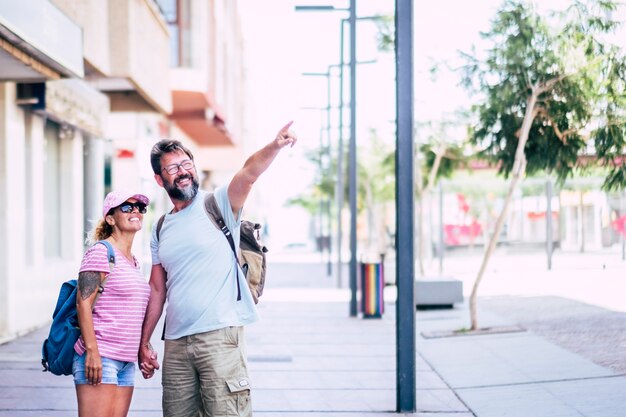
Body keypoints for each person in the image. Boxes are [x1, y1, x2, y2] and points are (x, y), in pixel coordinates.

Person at [139, 122, 297, 416]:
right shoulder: (160, 228)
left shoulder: (218, 203)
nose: (183, 171)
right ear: (159, 180)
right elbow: (157, 290)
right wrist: (144, 340)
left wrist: (274, 145)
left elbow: (248, 174)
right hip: (175, 344)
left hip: (220, 338)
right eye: (172, 169)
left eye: (186, 164)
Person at [74, 191, 152, 417]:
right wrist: (92, 352)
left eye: (139, 207)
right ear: (110, 218)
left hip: (125, 362)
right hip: (102, 356)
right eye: (127, 207)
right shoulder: (100, 252)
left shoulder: (133, 261)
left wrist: (143, 349)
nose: (135, 210)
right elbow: (83, 304)